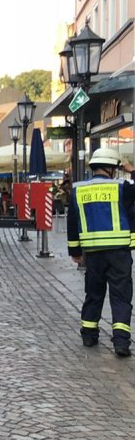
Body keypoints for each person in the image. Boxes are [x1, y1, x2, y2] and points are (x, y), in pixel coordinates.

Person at [67, 148, 135, 356]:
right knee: (121, 297)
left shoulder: (78, 189)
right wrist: (131, 170)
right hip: (119, 253)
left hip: (93, 253)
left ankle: (89, 334)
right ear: (112, 168)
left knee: (94, 294)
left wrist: (75, 251)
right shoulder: (122, 187)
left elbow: (72, 222)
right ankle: (121, 343)